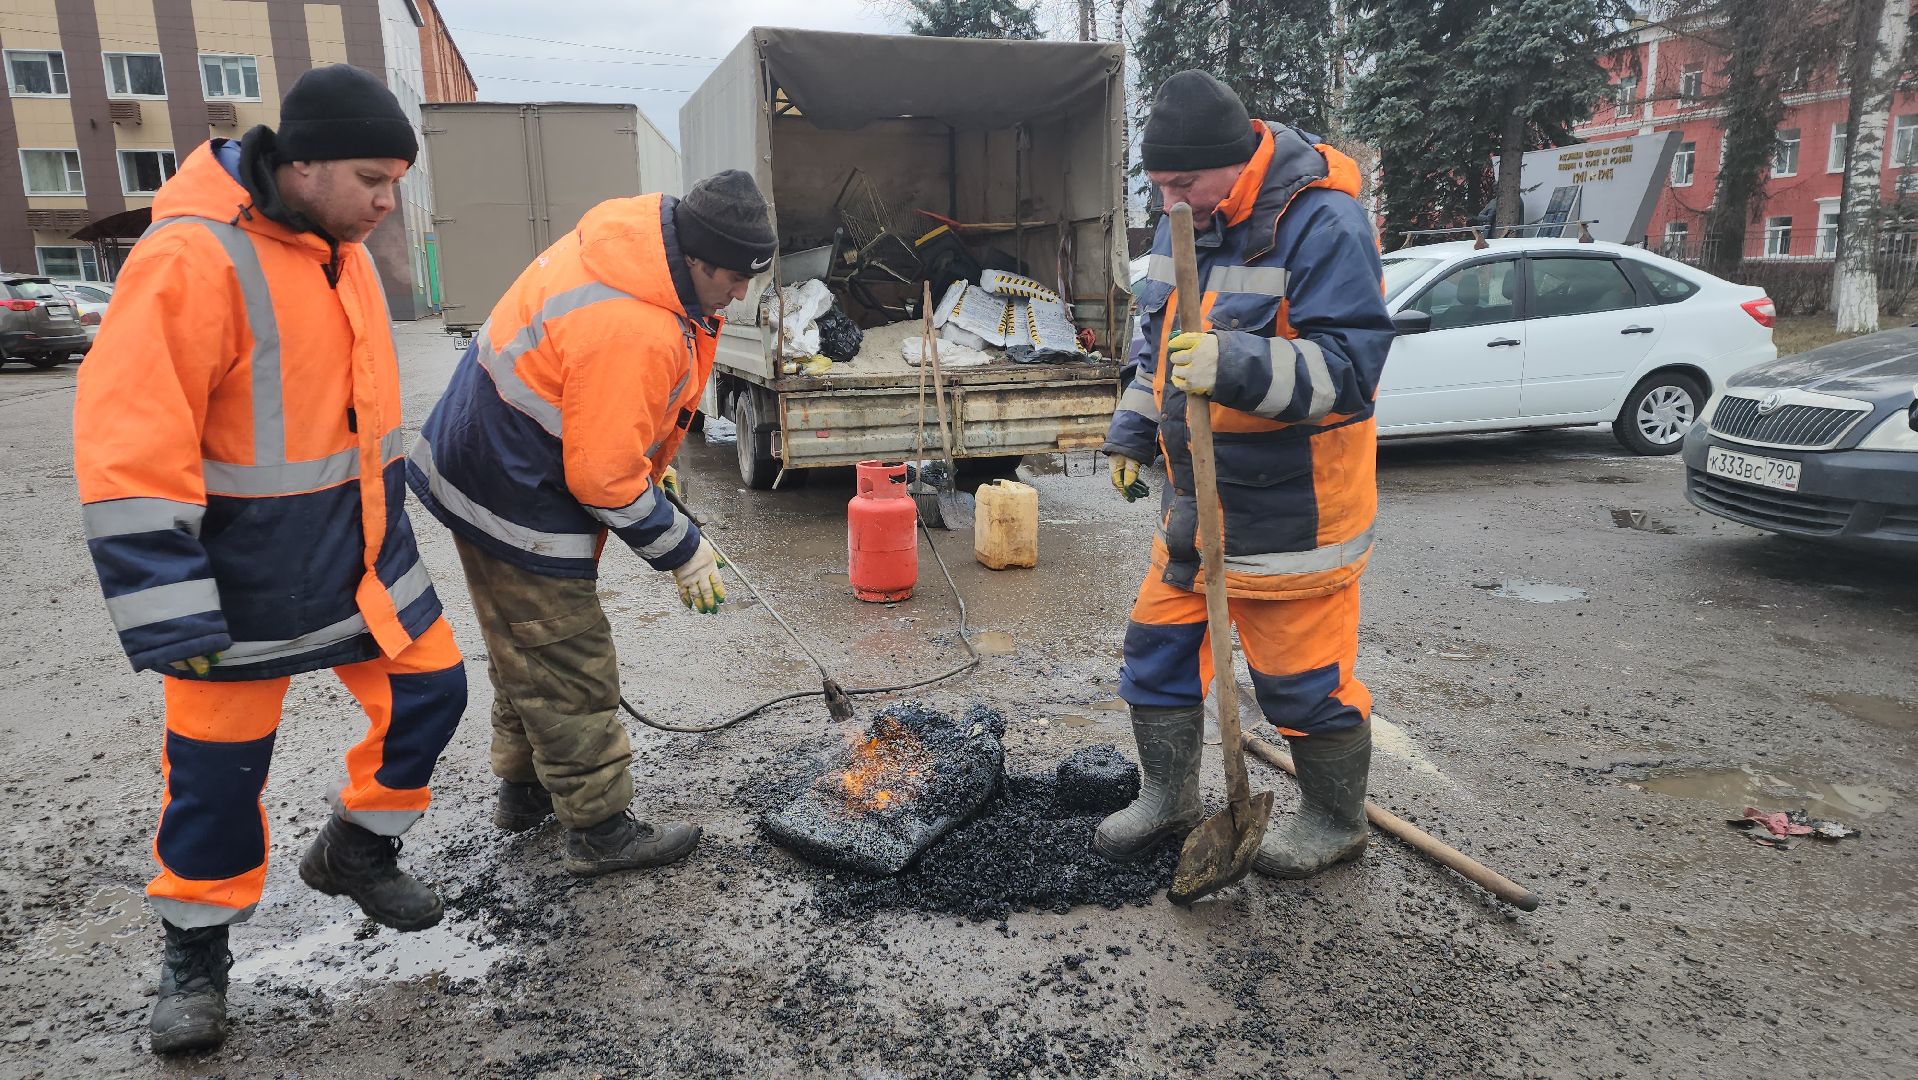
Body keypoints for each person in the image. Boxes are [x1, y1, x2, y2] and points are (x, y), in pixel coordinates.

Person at [73, 64, 466, 1054]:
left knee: (432, 693)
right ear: (302, 164)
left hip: (361, 560)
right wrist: (168, 606)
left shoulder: (345, 255)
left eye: (396, 182)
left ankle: (357, 849)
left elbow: (357, 425)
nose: (389, 203)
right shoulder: (187, 259)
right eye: (374, 180)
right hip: (237, 581)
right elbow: (131, 443)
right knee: (214, 775)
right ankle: (195, 956)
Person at [406, 170, 772, 877]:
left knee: (525, 646)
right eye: (733, 276)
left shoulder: (645, 264)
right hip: (510, 483)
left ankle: (524, 792)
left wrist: (644, 460)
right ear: (697, 257)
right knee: (567, 654)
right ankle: (599, 829)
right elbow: (600, 479)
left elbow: (605, 427)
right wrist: (683, 551)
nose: (741, 293)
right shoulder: (635, 321)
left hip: (491, 456)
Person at [1097, 71, 1394, 879]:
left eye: (1182, 183)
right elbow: (1151, 351)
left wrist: (1232, 361)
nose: (1167, 203)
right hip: (1196, 503)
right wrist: (1130, 433)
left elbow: (1352, 370)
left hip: (1294, 517)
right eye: (1156, 186)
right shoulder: (1176, 226)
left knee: (1302, 685)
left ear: (1238, 159)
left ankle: (1337, 821)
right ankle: (1171, 797)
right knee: (1155, 652)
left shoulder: (1322, 222)